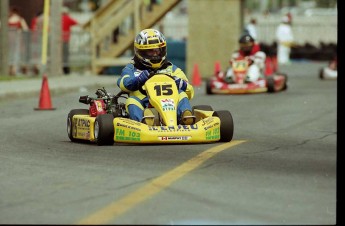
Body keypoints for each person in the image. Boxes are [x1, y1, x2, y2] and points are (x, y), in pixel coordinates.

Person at [116, 28, 195, 126]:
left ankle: (185, 117)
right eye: (150, 51)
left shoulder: (172, 69)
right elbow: (122, 83)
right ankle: (144, 122)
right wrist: (137, 80)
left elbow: (190, 92)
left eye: (157, 50)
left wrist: (182, 84)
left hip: (170, 105)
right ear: (141, 52)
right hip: (143, 105)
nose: (155, 54)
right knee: (131, 101)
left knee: (181, 94)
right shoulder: (132, 69)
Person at [8, 6, 29, 76]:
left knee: (10, 54)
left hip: (9, 40)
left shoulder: (7, 20)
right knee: (17, 54)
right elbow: (26, 29)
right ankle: (15, 69)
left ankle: (11, 68)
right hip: (18, 39)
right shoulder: (20, 20)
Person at [61, 6, 78, 75]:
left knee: (61, 55)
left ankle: (63, 69)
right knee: (65, 55)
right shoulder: (67, 18)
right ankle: (66, 70)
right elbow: (76, 23)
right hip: (65, 39)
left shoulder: (59, 18)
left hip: (58, 40)